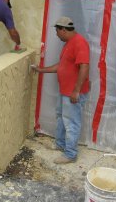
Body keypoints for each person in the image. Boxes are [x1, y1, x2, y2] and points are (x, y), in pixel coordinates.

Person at [32, 16, 90, 164]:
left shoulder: (80, 43)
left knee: (71, 123)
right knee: (61, 117)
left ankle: (70, 154)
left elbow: (84, 66)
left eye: (57, 32)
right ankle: (60, 144)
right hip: (65, 91)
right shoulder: (69, 43)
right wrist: (41, 70)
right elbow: (61, 66)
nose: (56, 35)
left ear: (63, 30)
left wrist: (76, 91)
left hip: (72, 93)